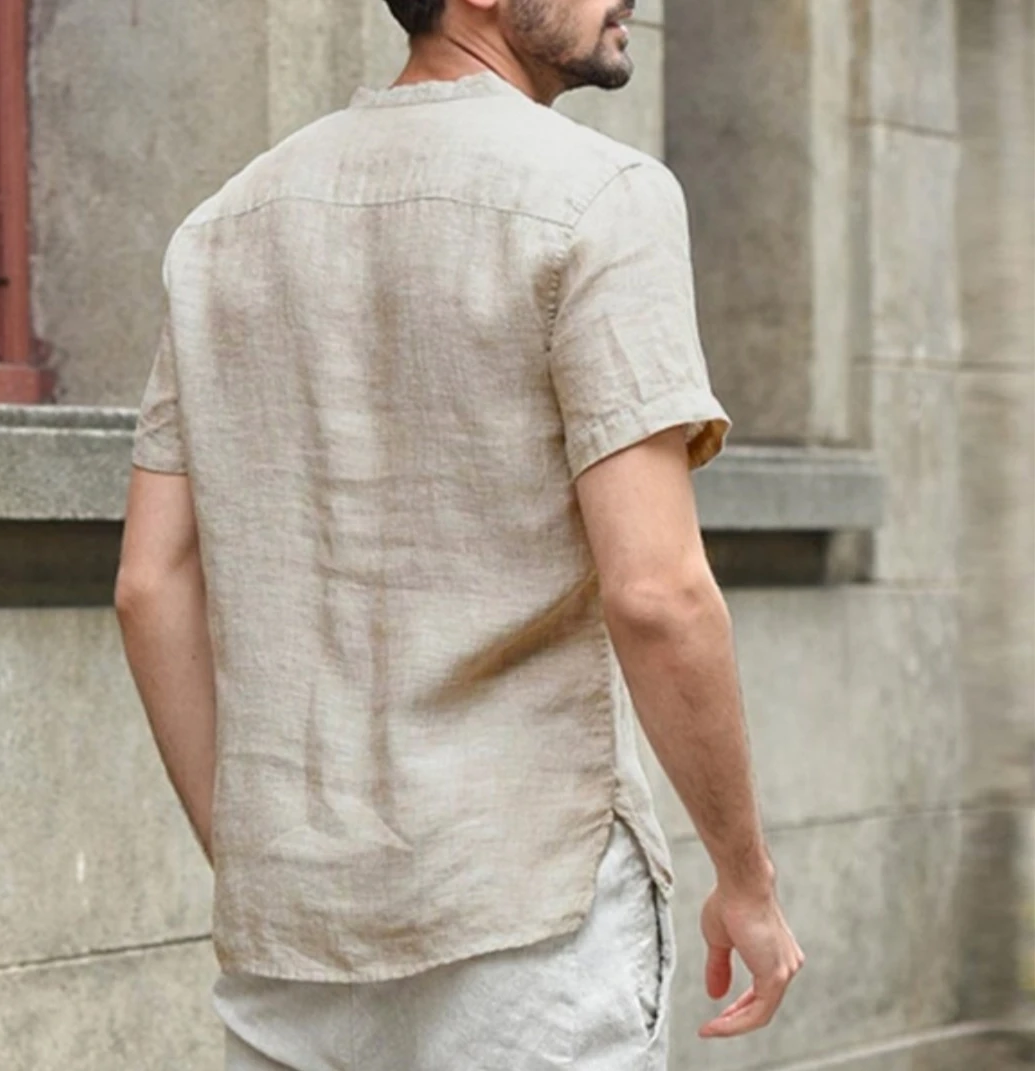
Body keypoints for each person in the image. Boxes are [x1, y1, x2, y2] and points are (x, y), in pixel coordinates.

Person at [115, 0, 804, 1067]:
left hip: (295, 940)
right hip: (523, 916)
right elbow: (658, 592)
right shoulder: (600, 196)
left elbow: (150, 585)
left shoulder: (222, 226)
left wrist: (263, 861)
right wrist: (745, 877)